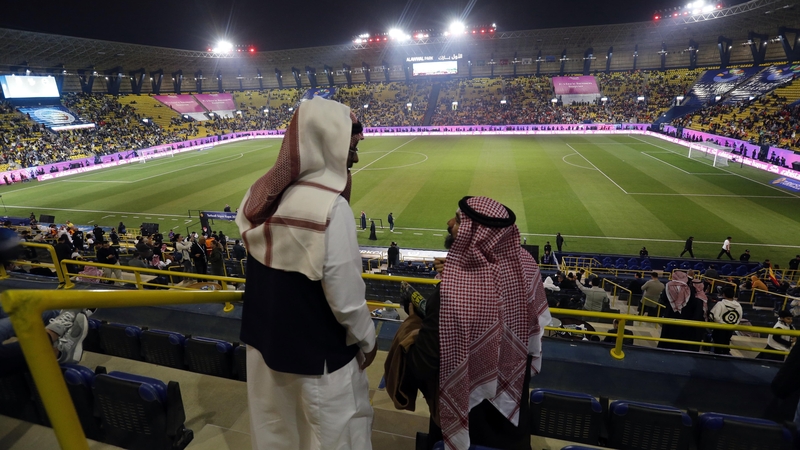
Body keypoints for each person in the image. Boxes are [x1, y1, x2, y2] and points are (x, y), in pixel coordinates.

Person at [235, 97, 376, 450]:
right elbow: (345, 299)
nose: (354, 158)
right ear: (329, 142)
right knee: (336, 438)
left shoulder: (258, 194)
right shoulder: (330, 208)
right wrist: (368, 339)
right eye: (350, 147)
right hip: (320, 359)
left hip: (264, 350)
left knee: (275, 435)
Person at [403, 196, 550, 450]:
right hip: (512, 427)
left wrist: (413, 323)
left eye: (459, 220)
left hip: (467, 426)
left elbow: (420, 366)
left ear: (478, 234)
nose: (449, 223)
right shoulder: (526, 271)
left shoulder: (452, 292)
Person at [657, 271, 705, 351]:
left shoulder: (668, 287)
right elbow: (692, 303)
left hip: (669, 314)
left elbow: (663, 299)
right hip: (683, 316)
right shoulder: (688, 289)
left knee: (667, 334)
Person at [708, 286, 742, 355]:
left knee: (718, 348)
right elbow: (739, 318)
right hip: (730, 329)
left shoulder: (720, 304)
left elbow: (714, 316)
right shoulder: (738, 306)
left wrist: (721, 323)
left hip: (719, 329)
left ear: (724, 294)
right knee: (726, 344)